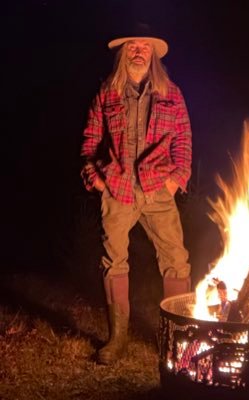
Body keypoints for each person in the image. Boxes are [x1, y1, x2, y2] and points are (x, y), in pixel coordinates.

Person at [80, 27, 192, 364]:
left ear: (153, 54)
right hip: (118, 188)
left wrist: (175, 181)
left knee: (176, 259)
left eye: (145, 47)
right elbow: (89, 141)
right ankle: (118, 339)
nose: (139, 51)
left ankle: (179, 339)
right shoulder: (107, 93)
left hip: (159, 189)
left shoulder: (172, 93)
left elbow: (184, 142)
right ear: (124, 53)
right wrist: (96, 178)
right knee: (114, 261)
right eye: (133, 46)